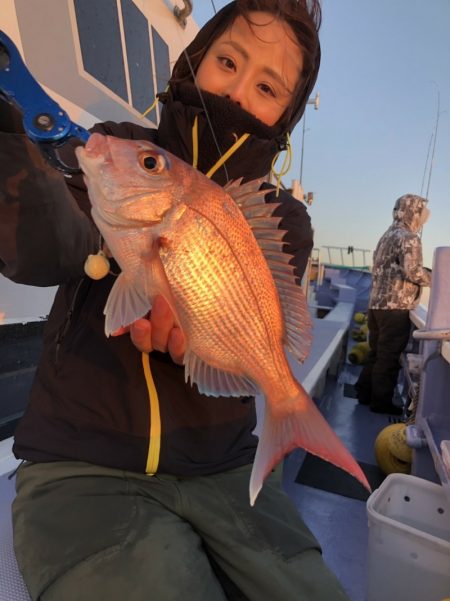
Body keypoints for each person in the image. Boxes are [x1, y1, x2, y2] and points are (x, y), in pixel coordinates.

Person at [0, 2, 351, 599]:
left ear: (284, 117)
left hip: (223, 465)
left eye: (266, 86)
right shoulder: (124, 148)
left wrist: (229, 353)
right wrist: (11, 144)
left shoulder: (284, 217)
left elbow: (249, 332)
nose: (238, 91)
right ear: (195, 61)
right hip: (86, 460)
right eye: (227, 61)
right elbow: (51, 245)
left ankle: (290, 426)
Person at [355, 194, 431, 415]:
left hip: (376, 306)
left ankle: (364, 393)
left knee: (376, 353)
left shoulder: (388, 235)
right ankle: (380, 403)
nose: (425, 218)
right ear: (414, 213)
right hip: (395, 307)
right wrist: (437, 279)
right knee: (388, 357)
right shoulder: (409, 238)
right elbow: (413, 271)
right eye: (423, 213)